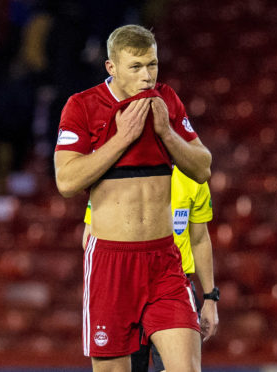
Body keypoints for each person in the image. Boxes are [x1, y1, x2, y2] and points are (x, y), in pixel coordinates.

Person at [54, 24, 212, 372]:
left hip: (163, 260)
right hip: (112, 261)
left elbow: (203, 168)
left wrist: (167, 133)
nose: (147, 76)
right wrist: (122, 138)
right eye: (136, 67)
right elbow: (66, 181)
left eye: (152, 65)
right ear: (111, 67)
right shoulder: (82, 106)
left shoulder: (166, 100)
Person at [82, 166, 219, 372]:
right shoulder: (118, 175)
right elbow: (90, 237)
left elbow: (199, 239)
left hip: (173, 285)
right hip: (125, 287)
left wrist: (210, 297)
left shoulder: (192, 176)